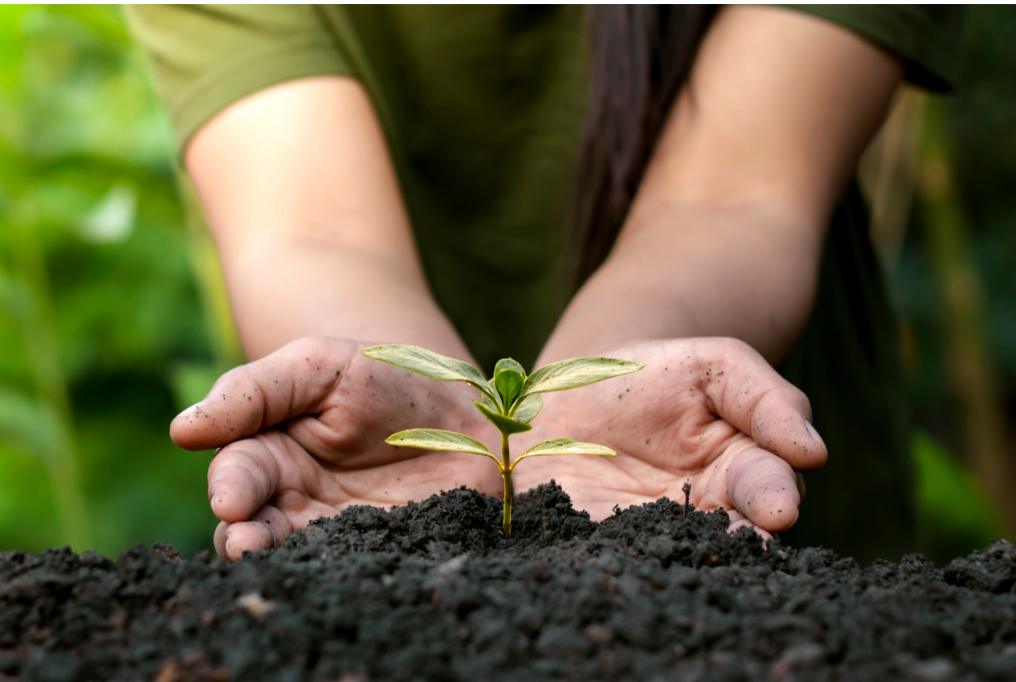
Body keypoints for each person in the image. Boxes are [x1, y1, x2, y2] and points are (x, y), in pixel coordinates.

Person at [127, 5, 963, 563]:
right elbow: (310, 229)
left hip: (734, 519)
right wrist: (421, 396)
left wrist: (609, 392)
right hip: (378, 491)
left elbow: (737, 194)